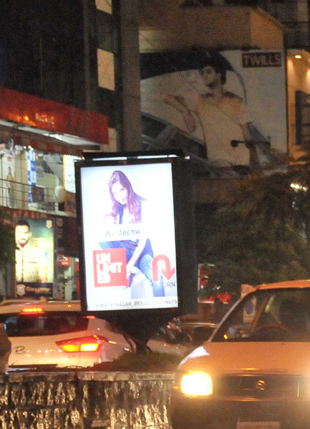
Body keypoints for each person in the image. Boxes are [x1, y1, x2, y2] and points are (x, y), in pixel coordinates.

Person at [166, 54, 257, 169]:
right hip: (218, 159)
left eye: (208, 72)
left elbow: (246, 132)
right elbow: (168, 98)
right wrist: (185, 111)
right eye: (202, 73)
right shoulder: (201, 100)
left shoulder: (236, 100)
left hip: (242, 159)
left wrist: (253, 158)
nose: (204, 76)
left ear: (218, 74)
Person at [101, 169, 159, 297]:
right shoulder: (117, 208)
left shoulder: (142, 204)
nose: (119, 196)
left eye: (121, 190)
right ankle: (120, 271)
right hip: (124, 249)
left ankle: (163, 311)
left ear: (128, 187)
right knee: (101, 236)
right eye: (115, 193)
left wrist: (129, 265)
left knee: (157, 278)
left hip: (141, 251)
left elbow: (143, 240)